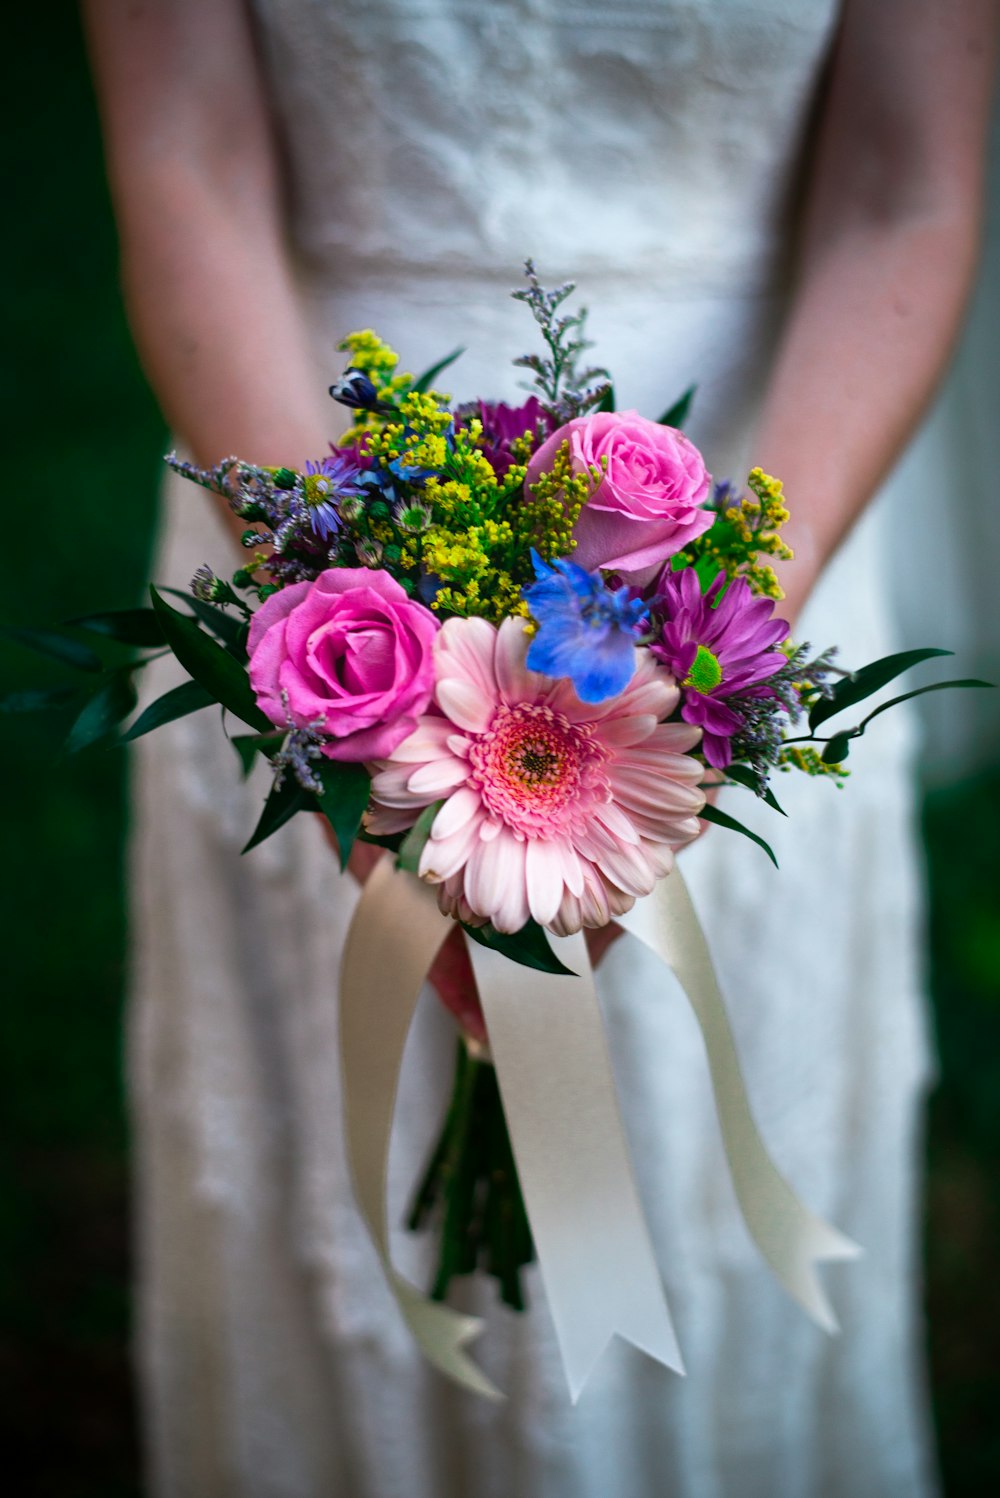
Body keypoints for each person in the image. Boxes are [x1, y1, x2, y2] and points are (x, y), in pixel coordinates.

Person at [82, 2, 1000, 1495]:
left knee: (679, 1165)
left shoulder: (722, 626)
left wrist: (707, 666)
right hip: (309, 491)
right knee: (361, 1174)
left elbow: (906, 189)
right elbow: (186, 150)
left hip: (768, 490)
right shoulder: (326, 609)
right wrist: (353, 680)